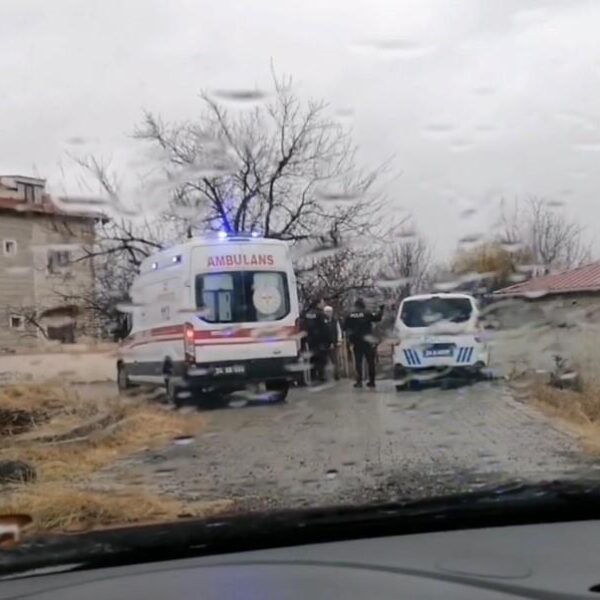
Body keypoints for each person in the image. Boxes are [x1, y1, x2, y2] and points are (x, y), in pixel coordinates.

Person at [343, 298, 384, 388]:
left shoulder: (349, 315)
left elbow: (345, 327)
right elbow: (377, 318)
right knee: (370, 362)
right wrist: (381, 309)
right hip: (367, 341)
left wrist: (350, 338)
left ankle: (359, 381)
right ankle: (372, 381)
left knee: (358, 362)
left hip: (356, 341)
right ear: (363, 305)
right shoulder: (367, 313)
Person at [300, 298, 330, 382]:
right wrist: (329, 340)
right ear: (318, 304)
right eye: (322, 303)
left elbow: (303, 326)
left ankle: (313, 376)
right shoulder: (321, 314)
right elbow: (326, 329)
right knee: (321, 358)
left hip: (310, 340)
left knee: (313, 358)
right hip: (321, 340)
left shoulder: (306, 314)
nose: (323, 304)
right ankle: (321, 375)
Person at [323, 305, 342, 380]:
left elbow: (338, 330)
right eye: (327, 312)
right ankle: (324, 375)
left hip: (334, 343)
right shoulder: (322, 320)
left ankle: (336, 374)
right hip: (324, 343)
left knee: (335, 360)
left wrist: (339, 340)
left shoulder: (335, 321)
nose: (328, 313)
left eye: (330, 312)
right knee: (324, 360)